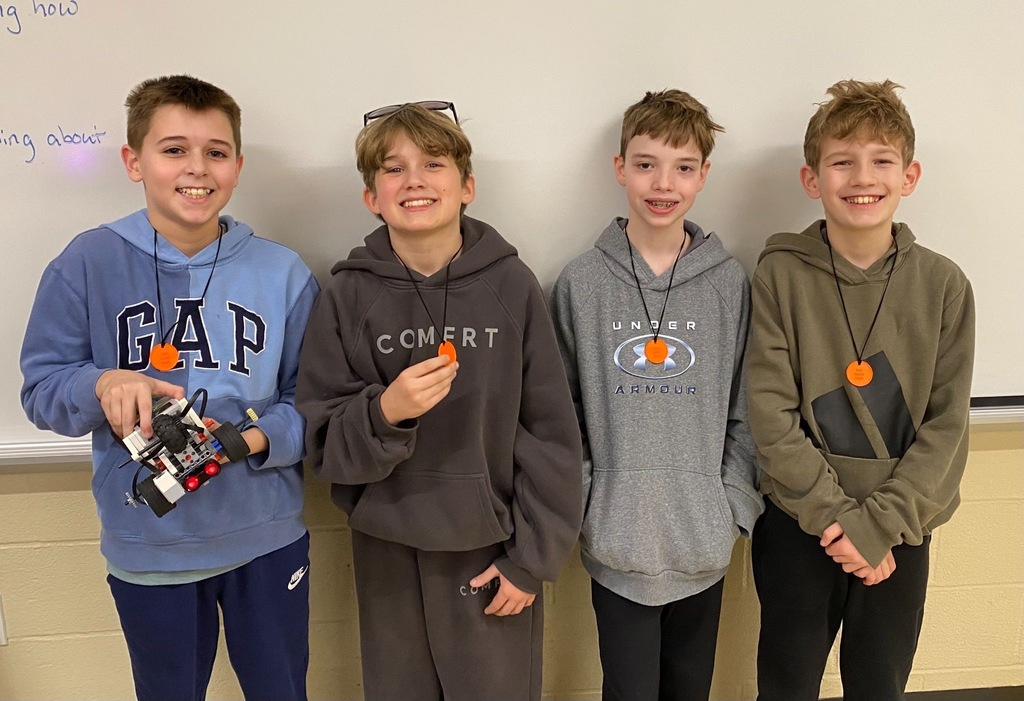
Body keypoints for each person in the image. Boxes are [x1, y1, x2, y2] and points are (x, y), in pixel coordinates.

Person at [20, 75, 318, 701]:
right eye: (173, 149)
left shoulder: (283, 272)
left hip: (266, 536)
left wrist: (252, 439)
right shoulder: (86, 263)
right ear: (134, 161)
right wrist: (100, 382)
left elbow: (313, 402)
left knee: (282, 689)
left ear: (238, 165)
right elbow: (42, 388)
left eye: (216, 151)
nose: (196, 169)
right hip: (151, 545)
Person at [296, 101, 582, 701]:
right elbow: (319, 441)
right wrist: (385, 412)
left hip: (490, 550)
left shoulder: (511, 286)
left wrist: (531, 560)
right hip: (387, 552)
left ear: (467, 186)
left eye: (433, 163)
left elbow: (551, 434)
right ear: (372, 196)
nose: (415, 180)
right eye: (393, 169)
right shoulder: (347, 294)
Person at [746, 79, 975, 701]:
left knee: (880, 684)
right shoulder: (779, 275)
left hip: (901, 531)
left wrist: (876, 529)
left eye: (881, 161)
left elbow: (947, 426)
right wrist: (837, 520)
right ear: (811, 179)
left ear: (910, 175)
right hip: (800, 523)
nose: (861, 177)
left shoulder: (944, 284)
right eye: (841, 161)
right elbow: (770, 414)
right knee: (785, 683)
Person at [551, 89, 762, 701]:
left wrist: (730, 508)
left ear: (703, 176)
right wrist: (591, 503)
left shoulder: (729, 284)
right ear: (620, 169)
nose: (662, 183)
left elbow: (745, 408)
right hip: (616, 540)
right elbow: (562, 416)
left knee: (690, 689)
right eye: (645, 164)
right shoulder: (580, 283)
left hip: (704, 539)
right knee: (629, 689)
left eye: (683, 167)